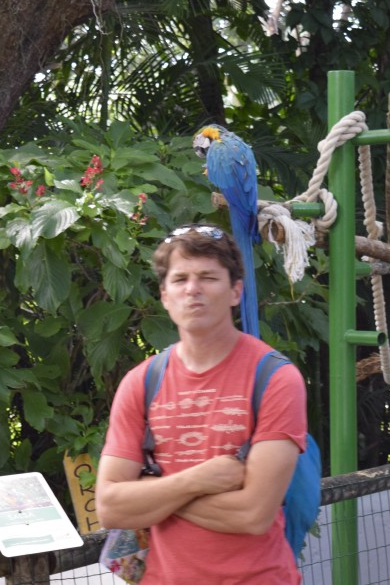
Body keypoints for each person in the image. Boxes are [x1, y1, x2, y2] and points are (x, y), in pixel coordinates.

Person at [96, 224, 307, 584]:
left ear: (236, 291)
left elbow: (253, 513)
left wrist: (154, 499)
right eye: (180, 279)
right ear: (164, 295)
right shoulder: (141, 382)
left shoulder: (274, 378)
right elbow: (110, 508)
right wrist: (199, 480)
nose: (193, 290)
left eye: (208, 277)